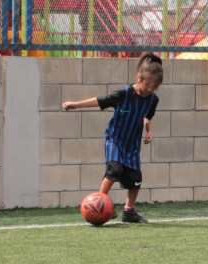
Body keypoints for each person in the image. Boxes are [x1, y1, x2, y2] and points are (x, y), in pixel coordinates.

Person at [62, 52, 162, 224]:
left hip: (132, 144)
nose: (149, 90)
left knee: (135, 180)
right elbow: (100, 101)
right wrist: (75, 105)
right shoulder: (123, 94)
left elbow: (148, 115)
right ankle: (99, 204)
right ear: (139, 77)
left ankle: (129, 212)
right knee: (115, 170)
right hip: (114, 139)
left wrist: (149, 129)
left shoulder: (152, 99)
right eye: (147, 85)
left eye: (154, 87)